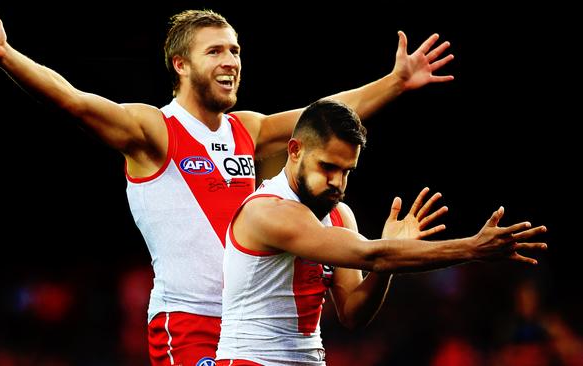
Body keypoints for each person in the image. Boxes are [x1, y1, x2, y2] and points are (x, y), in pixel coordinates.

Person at [0, 2, 456, 365]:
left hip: (249, 330)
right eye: (215, 52)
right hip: (187, 323)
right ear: (180, 64)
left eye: (235, 50)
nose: (231, 61)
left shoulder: (246, 130)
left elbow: (321, 118)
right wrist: (7, 56)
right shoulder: (152, 131)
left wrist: (395, 83)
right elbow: (73, 101)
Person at [215, 99, 548, 366]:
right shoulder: (267, 212)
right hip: (250, 359)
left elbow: (353, 313)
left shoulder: (340, 215)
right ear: (294, 150)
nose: (337, 183)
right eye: (327, 167)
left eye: (347, 171)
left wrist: (386, 264)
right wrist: (471, 248)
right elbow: (371, 253)